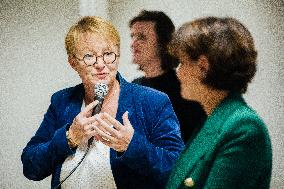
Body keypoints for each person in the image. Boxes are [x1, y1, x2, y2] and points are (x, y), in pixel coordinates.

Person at [21, 16, 184, 189]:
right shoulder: (61, 101)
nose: (101, 64)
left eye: (108, 54)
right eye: (89, 56)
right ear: (73, 62)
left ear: (118, 54)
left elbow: (179, 170)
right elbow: (31, 167)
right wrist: (69, 138)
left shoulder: (152, 101)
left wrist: (131, 146)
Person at [166, 17, 272, 189]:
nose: (178, 74)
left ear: (203, 67)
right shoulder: (212, 120)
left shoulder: (243, 128)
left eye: (183, 63)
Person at [129, 10, 207, 143]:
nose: (133, 44)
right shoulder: (134, 86)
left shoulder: (186, 90)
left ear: (163, 44)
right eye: (133, 37)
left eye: (141, 37)